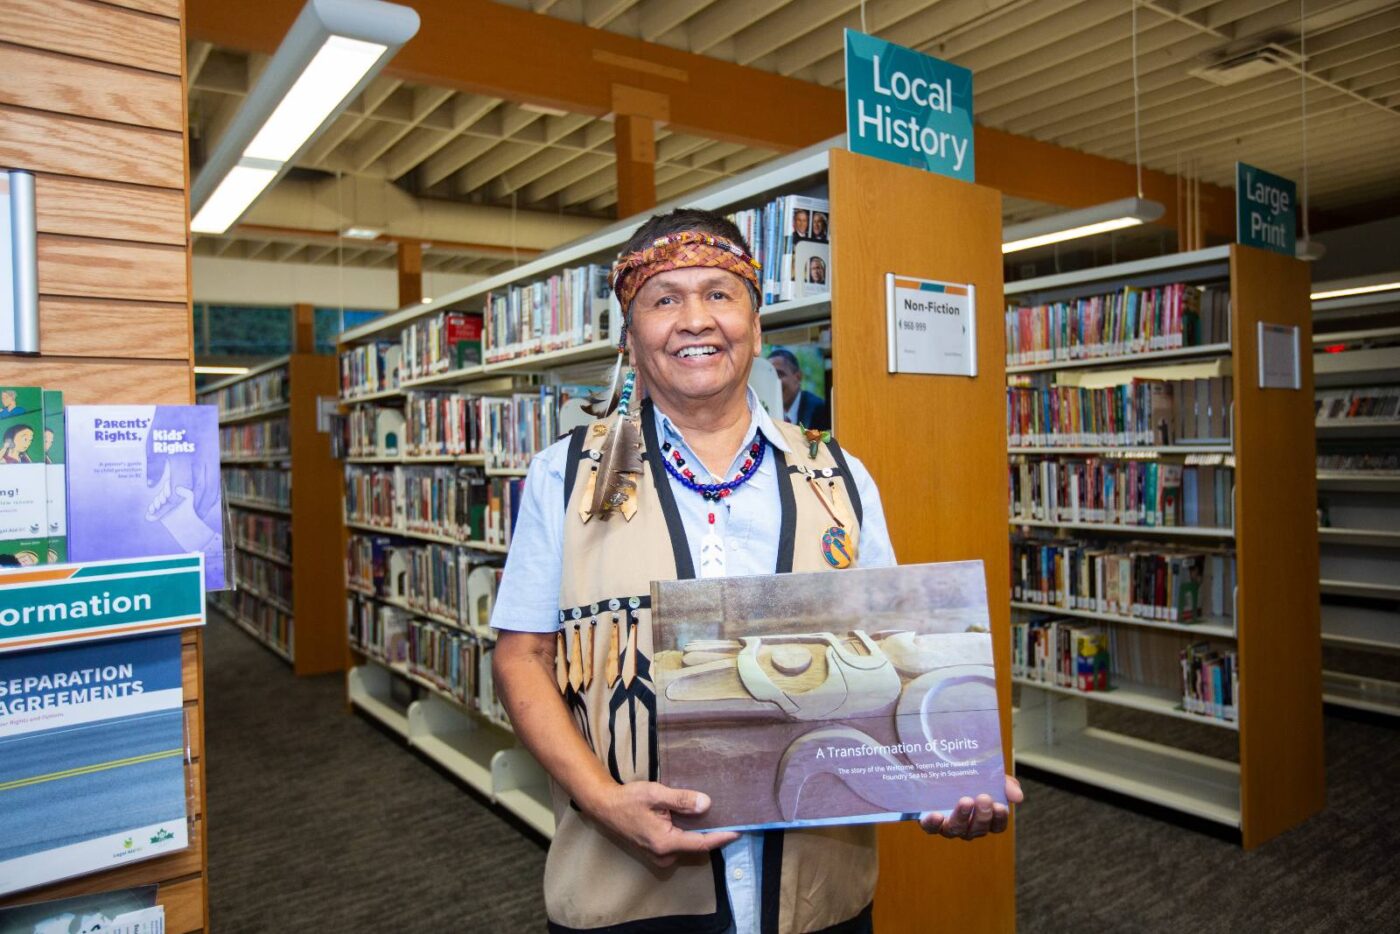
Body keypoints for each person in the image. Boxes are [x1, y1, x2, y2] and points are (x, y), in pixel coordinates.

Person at [491, 208, 1020, 934]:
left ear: (755, 319)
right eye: (664, 298)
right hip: (630, 895)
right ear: (631, 334)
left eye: (719, 292)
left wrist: (941, 776)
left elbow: (894, 659)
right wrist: (604, 801)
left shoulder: (840, 478)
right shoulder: (563, 478)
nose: (694, 319)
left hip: (817, 894)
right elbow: (523, 658)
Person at [768, 347, 829, 432]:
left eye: (779, 374)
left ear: (798, 377)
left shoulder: (818, 411)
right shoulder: (766, 412)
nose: (774, 381)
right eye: (770, 375)